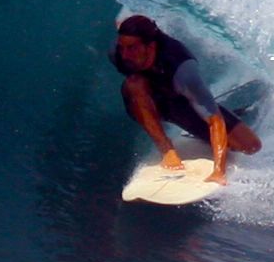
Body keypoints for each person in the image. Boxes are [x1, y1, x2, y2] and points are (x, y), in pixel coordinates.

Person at [111, 14, 262, 182]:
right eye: (122, 47)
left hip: (179, 104)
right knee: (134, 83)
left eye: (131, 48)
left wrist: (219, 171)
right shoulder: (119, 53)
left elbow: (216, 121)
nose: (125, 54)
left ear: (151, 47)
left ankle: (199, 116)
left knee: (251, 146)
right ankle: (167, 151)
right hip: (146, 102)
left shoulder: (182, 70)